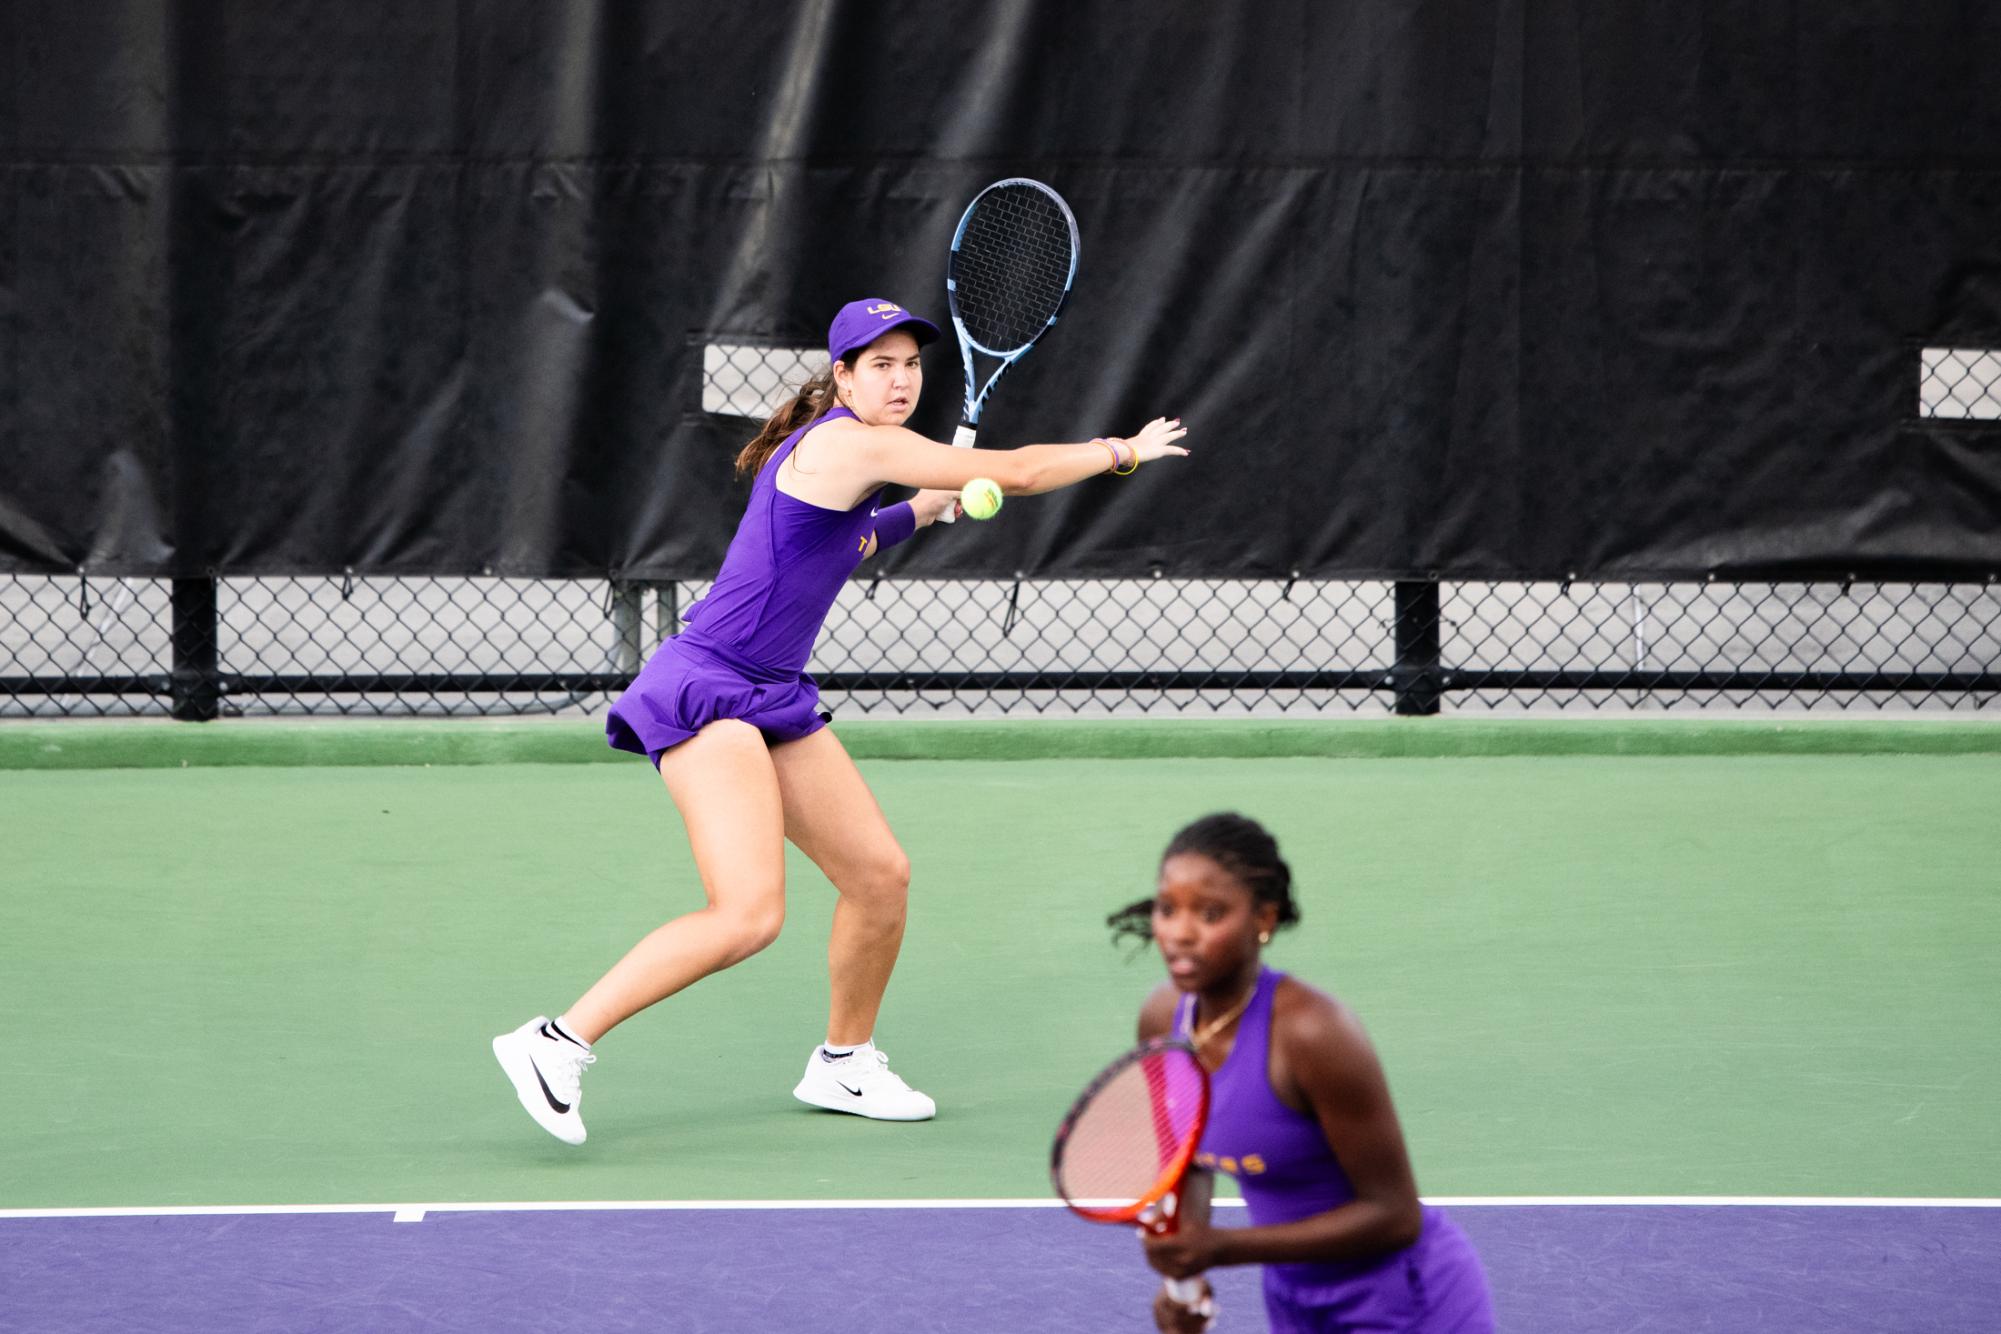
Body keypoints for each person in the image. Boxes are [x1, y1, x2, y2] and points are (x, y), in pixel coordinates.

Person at [493, 297, 1190, 1145]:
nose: (901, 380)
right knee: (747, 915)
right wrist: (1122, 450)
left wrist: (928, 504)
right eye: (880, 365)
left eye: (911, 365)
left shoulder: (849, 458)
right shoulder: (846, 443)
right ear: (844, 377)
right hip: (709, 689)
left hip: (772, 692)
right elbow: (1018, 473)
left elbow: (857, 536)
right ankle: (555, 1041)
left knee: (878, 876)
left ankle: (843, 1062)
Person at [1112, 813, 1494, 1332]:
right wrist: (1187, 1282)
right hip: (1295, 1300)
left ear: (1263, 919)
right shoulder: (1161, 1022)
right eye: (1167, 909)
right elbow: (1188, 1164)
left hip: (1407, 1300)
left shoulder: (1312, 1034)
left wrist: (1222, 1248)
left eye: (1210, 913)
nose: (1180, 933)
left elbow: (1395, 1215)